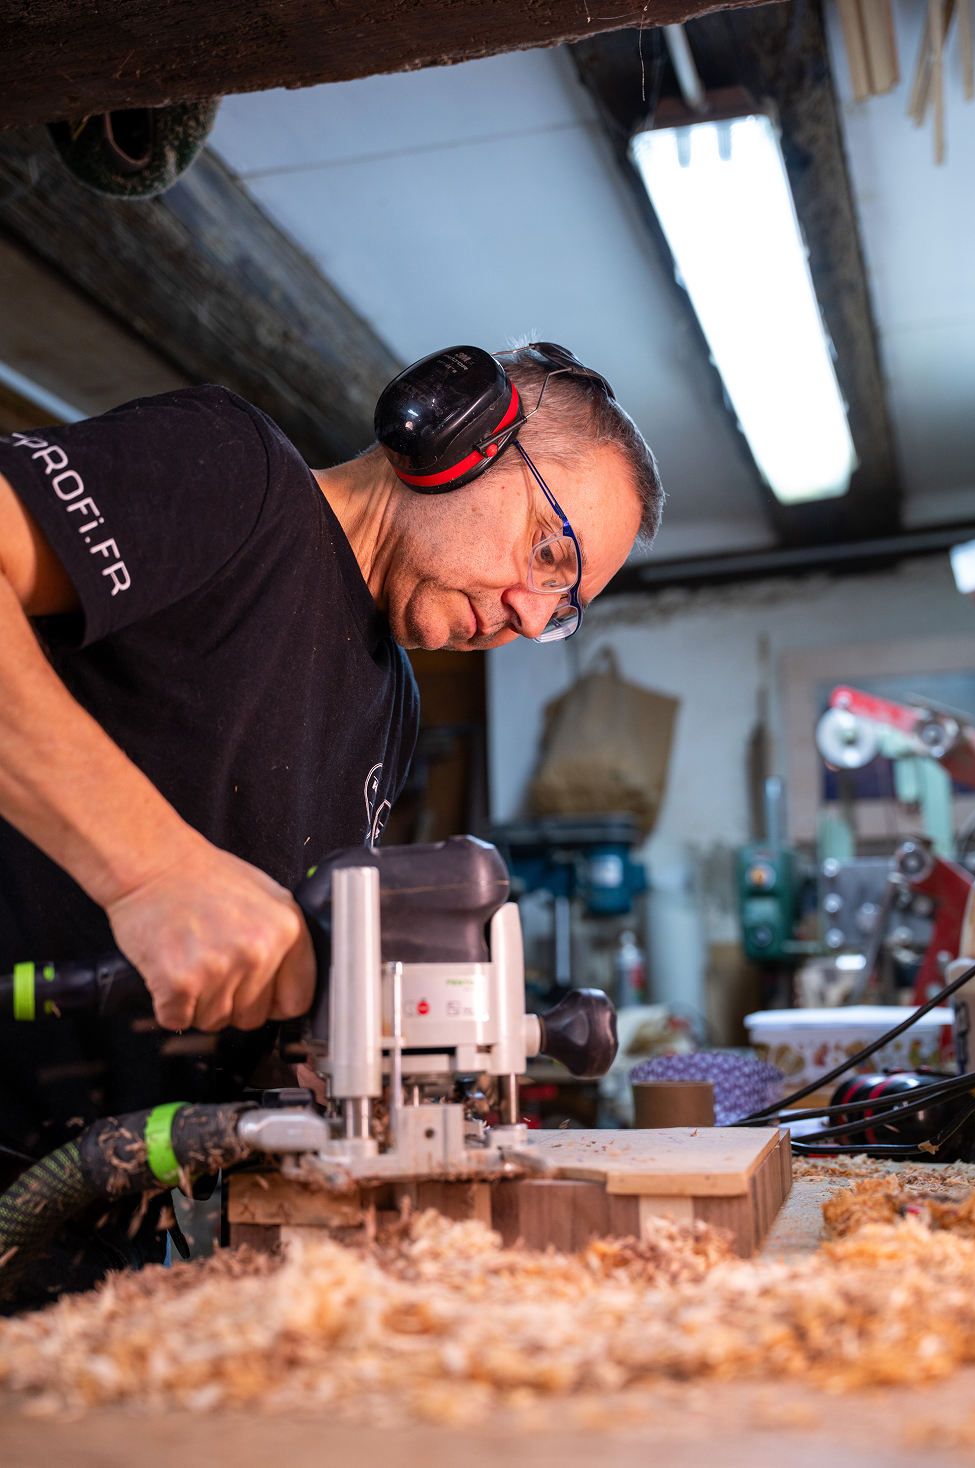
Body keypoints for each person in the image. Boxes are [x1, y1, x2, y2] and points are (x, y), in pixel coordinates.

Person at [0, 340, 662, 1301]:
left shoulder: (390, 705)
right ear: (460, 434)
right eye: (547, 552)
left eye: (563, 607)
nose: (528, 613)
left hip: (102, 1213)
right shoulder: (235, 477)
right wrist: (149, 870)